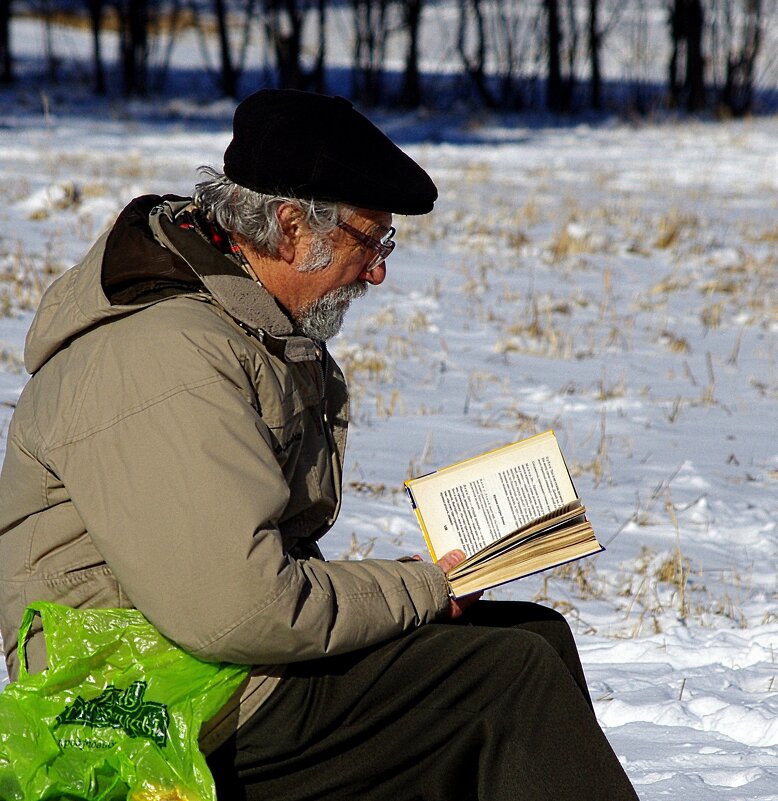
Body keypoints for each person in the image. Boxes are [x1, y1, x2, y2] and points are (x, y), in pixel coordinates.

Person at [0, 89, 638, 800]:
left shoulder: (244, 325)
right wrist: (427, 586)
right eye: (371, 240)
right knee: (504, 677)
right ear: (292, 226)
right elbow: (238, 608)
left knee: (535, 636)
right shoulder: (165, 357)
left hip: (204, 658)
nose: (379, 270)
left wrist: (426, 592)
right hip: (140, 693)